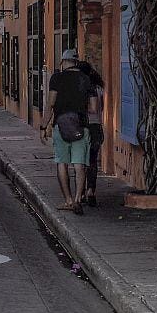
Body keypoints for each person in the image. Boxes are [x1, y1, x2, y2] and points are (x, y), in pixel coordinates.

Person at [39, 49, 93, 215]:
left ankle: (68, 200)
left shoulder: (57, 78)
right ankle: (78, 199)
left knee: (62, 163)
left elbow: (50, 104)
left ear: (63, 62)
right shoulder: (86, 79)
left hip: (60, 125)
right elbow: (94, 107)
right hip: (81, 126)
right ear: (76, 62)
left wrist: (43, 126)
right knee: (79, 165)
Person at [75, 60, 105, 207]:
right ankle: (91, 190)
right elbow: (102, 108)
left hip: (83, 126)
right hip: (97, 127)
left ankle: (80, 193)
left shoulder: (81, 89)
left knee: (80, 160)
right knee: (92, 160)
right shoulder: (99, 88)